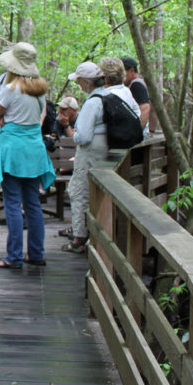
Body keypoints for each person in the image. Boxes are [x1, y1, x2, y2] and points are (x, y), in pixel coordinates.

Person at [0, 43, 55, 269]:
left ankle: (14, 256)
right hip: (34, 149)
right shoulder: (40, 90)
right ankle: (37, 253)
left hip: (13, 150)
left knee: (13, 204)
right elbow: (39, 119)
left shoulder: (10, 89)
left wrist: (6, 120)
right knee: (33, 204)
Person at [61, 61, 107, 253]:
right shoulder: (108, 96)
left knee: (78, 191)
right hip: (103, 151)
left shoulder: (93, 102)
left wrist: (75, 133)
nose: (78, 84)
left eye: (79, 80)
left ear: (87, 82)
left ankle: (79, 238)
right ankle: (89, 234)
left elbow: (83, 137)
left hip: (90, 152)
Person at [122, 56, 157, 136]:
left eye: (123, 73)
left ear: (132, 70)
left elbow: (145, 109)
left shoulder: (136, 85)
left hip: (140, 132)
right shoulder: (142, 81)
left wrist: (137, 132)